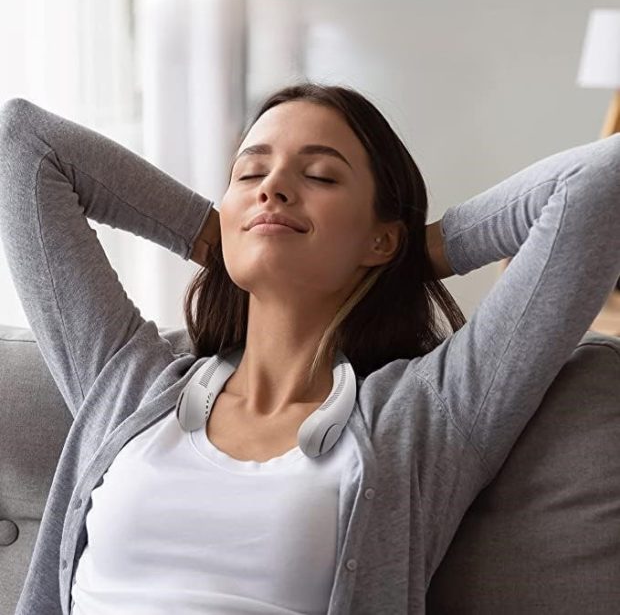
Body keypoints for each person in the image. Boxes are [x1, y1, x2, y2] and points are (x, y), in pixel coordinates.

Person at [0, 83, 618, 615]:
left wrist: (415, 255)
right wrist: (212, 234)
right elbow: (23, 142)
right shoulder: (128, 385)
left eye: (319, 175)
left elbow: (599, 186)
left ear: (379, 238)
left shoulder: (428, 416)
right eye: (249, 172)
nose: (273, 187)